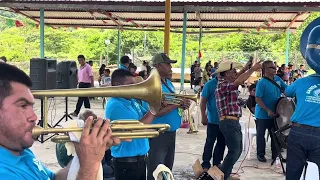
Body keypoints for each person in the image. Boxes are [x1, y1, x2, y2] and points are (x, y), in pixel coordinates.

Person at [0, 63, 120, 179]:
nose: (34, 117)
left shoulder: (19, 151)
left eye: (31, 106)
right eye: (22, 105)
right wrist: (90, 164)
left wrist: (88, 152)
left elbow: (54, 178)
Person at [214, 60, 262, 180]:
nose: (236, 73)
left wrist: (246, 68)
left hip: (231, 121)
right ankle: (221, 175)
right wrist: (252, 70)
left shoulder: (226, 82)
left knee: (236, 150)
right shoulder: (222, 85)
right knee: (235, 151)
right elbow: (238, 81)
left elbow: (237, 77)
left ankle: (224, 174)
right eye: (233, 71)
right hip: (229, 122)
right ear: (226, 74)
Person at [105, 69, 156, 180]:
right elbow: (137, 128)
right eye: (131, 84)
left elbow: (147, 116)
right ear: (119, 86)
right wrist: (154, 108)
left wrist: (159, 104)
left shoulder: (131, 101)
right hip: (127, 163)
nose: (135, 88)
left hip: (139, 160)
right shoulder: (116, 105)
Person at [147, 53, 190, 180]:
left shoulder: (167, 82)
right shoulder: (151, 85)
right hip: (158, 133)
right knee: (156, 170)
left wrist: (181, 104)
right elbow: (152, 112)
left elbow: (171, 102)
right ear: (158, 66)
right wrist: (176, 105)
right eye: (168, 64)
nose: (170, 67)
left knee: (166, 170)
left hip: (170, 132)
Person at [255, 60, 287, 162]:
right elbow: (258, 99)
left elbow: (287, 90)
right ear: (265, 70)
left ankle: (275, 154)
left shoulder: (278, 79)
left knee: (275, 135)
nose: (275, 69)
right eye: (272, 68)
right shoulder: (261, 83)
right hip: (262, 114)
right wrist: (267, 110)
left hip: (276, 113)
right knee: (261, 135)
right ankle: (260, 154)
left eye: (275, 67)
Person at [200, 76, 225, 171]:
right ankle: (206, 163)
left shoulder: (228, 83)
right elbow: (203, 102)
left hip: (224, 120)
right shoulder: (210, 84)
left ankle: (217, 163)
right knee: (210, 142)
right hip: (213, 120)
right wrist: (203, 116)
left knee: (222, 143)